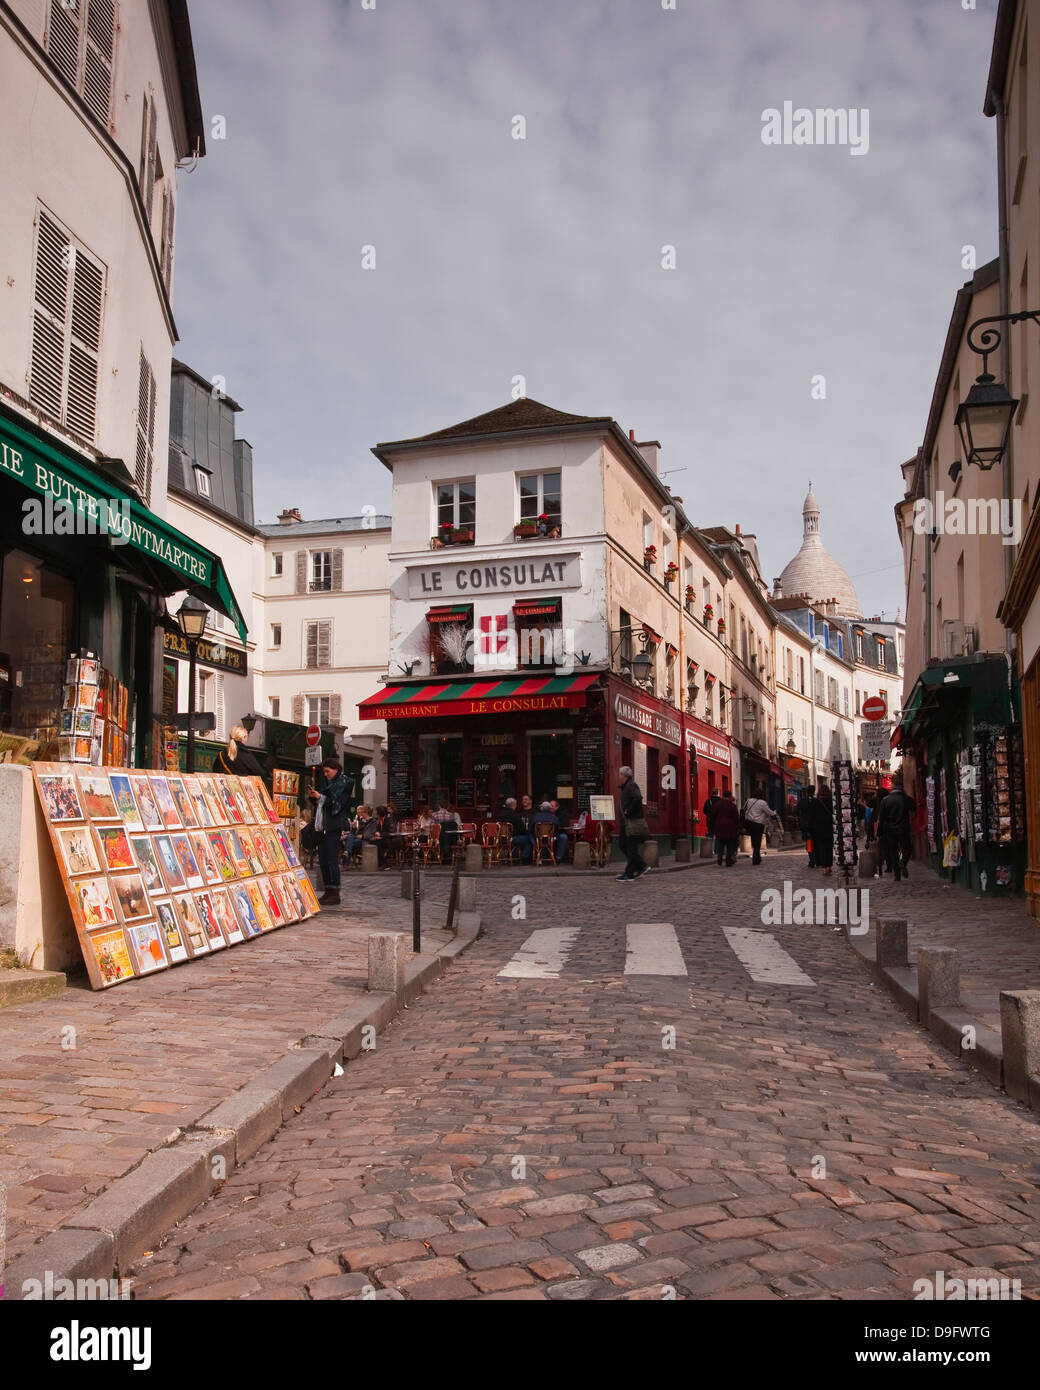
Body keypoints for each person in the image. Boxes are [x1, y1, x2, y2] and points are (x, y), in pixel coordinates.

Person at [307, 756, 350, 904]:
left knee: (331, 860)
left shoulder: (344, 783)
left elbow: (336, 805)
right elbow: (323, 803)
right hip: (322, 827)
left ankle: (334, 891)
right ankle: (328, 890)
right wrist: (314, 797)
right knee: (323, 861)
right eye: (324, 772)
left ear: (336, 770)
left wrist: (321, 797)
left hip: (332, 827)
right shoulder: (328, 783)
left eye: (328, 771)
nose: (325, 774)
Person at [877, 781, 917, 882]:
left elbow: (881, 818)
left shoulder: (885, 800)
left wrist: (879, 832)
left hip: (889, 830)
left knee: (893, 852)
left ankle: (897, 875)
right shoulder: (904, 798)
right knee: (907, 849)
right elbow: (914, 806)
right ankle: (903, 863)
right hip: (903, 829)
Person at [617, 766, 650, 882]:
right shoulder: (626, 786)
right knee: (624, 845)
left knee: (630, 847)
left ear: (624, 776)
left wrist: (628, 811)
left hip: (631, 823)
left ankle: (630, 873)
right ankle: (640, 866)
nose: (618, 776)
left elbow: (638, 798)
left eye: (620, 774)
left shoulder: (631, 786)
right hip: (626, 823)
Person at [741, 787, 780, 866]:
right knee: (757, 841)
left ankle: (757, 857)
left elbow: (744, 810)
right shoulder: (762, 803)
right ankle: (756, 859)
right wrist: (774, 813)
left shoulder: (749, 800)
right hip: (758, 824)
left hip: (749, 823)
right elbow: (769, 812)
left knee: (753, 840)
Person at [809, 783, 834, 875]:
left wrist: (810, 829)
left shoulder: (816, 802)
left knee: (822, 848)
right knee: (829, 848)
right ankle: (829, 866)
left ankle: (824, 867)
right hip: (829, 828)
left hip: (819, 829)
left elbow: (811, 816)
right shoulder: (831, 801)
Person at [713, 789, 741, 866]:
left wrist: (714, 825)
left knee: (720, 843)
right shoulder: (732, 806)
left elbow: (713, 815)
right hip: (730, 827)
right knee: (730, 844)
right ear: (729, 796)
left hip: (719, 826)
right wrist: (739, 827)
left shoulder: (718, 804)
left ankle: (719, 858)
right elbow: (736, 818)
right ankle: (728, 860)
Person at [499, 797, 532, 863]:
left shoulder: (500, 814)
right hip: (512, 839)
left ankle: (513, 856)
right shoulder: (514, 815)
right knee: (529, 838)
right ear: (513, 805)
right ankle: (525, 857)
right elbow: (521, 828)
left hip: (501, 839)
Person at [798, 787, 816, 867]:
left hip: (806, 824)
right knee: (815, 842)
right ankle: (816, 859)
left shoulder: (802, 801)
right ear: (814, 791)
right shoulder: (816, 801)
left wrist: (802, 817)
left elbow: (796, 811)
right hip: (815, 825)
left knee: (809, 842)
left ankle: (812, 860)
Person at [702, 788, 721, 859]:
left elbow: (704, 810)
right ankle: (716, 850)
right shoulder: (720, 801)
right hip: (718, 820)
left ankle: (708, 850)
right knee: (718, 836)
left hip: (710, 821)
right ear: (718, 793)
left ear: (712, 793)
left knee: (710, 835)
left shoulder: (708, 801)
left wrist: (709, 815)